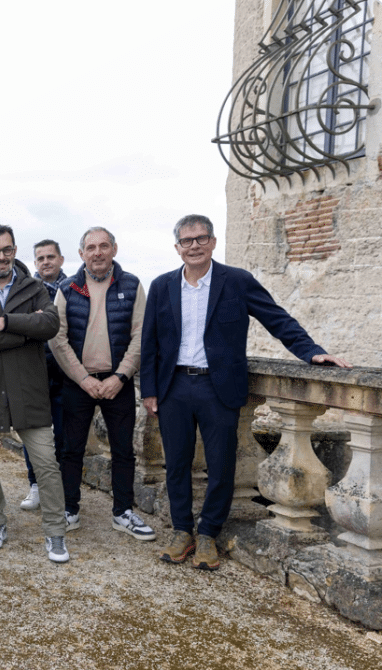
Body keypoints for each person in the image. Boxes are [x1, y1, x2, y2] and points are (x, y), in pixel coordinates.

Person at [140, 213, 352, 570]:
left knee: (221, 467)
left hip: (218, 387)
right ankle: (181, 531)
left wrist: (311, 351)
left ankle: (207, 535)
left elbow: (277, 318)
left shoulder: (236, 281)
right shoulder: (162, 286)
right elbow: (150, 343)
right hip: (174, 387)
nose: (194, 245)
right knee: (176, 464)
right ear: (177, 247)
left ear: (213, 243)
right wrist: (149, 389)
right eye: (187, 240)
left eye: (201, 238)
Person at [0, 225, 69, 561]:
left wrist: (3, 322)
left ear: (15, 250)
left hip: (27, 389)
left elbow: (50, 325)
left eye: (7, 250)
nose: (1, 257)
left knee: (47, 462)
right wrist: (25, 329)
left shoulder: (34, 287)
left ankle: (55, 532)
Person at [50, 226, 156, 541]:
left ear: (114, 249)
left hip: (117, 383)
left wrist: (121, 376)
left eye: (104, 246)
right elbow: (58, 338)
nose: (98, 252)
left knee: (124, 451)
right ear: (82, 253)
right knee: (71, 450)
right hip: (77, 383)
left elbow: (141, 334)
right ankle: (69, 510)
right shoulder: (67, 288)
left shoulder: (132, 285)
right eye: (91, 247)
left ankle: (122, 512)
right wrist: (82, 378)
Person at [21, 239, 68, 510]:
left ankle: (59, 486)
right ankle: (35, 484)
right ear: (35, 263)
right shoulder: (26, 291)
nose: (46, 262)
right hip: (34, 371)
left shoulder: (73, 288)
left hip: (65, 372)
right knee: (33, 433)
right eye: (40, 258)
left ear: (61, 259)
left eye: (51, 256)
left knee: (62, 434)